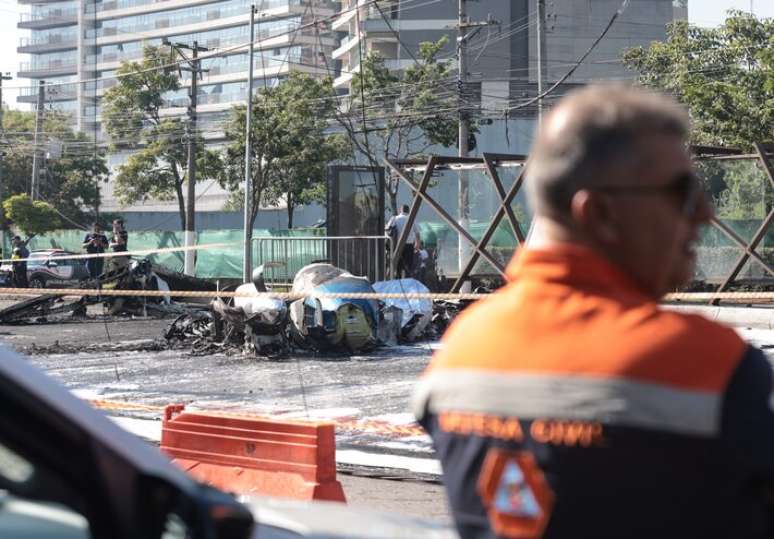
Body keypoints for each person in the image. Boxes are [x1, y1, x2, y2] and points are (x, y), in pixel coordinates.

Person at [413, 85, 774, 538]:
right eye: (682, 192)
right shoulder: (710, 364)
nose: (705, 212)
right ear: (599, 214)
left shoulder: (462, 346)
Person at [386, 204, 419, 278]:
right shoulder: (412, 219)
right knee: (408, 267)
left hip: (397, 246)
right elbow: (417, 233)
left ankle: (398, 280)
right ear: (408, 211)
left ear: (401, 210)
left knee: (398, 266)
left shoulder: (394, 218)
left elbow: (387, 230)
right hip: (409, 246)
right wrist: (417, 243)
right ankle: (407, 281)